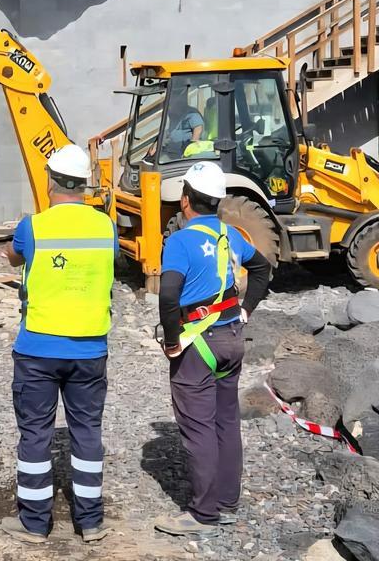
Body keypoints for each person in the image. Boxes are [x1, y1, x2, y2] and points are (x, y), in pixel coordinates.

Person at [0, 144, 118, 545]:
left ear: (50, 181)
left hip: (38, 350)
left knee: (35, 433)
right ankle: (91, 522)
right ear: (84, 185)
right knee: (87, 433)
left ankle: (34, 524)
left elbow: (14, 258)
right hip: (89, 350)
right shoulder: (106, 227)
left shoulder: (34, 226)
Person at [154, 161, 272, 536]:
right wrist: (246, 309)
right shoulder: (230, 236)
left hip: (198, 343)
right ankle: (227, 502)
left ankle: (203, 513)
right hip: (231, 339)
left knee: (198, 426)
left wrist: (172, 341)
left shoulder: (180, 241)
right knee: (226, 420)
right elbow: (262, 268)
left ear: (186, 201)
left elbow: (169, 294)